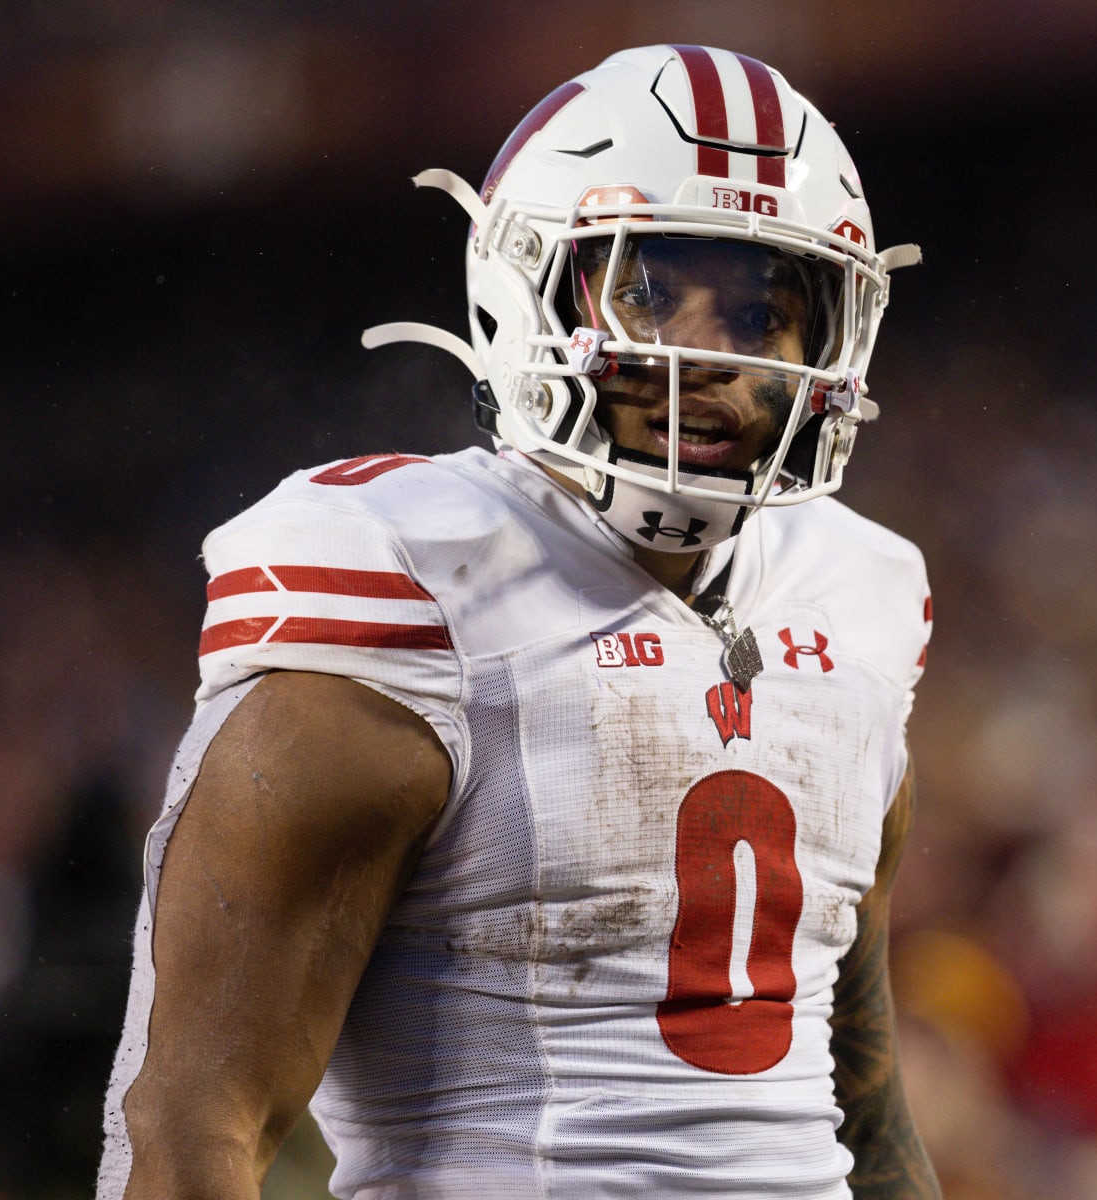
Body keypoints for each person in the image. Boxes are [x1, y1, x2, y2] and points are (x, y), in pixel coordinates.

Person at [95, 43, 937, 1200]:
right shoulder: (409, 585)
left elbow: (862, 1104)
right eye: (648, 290)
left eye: (760, 309)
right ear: (524, 288)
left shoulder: (862, 593)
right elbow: (190, 1119)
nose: (712, 356)